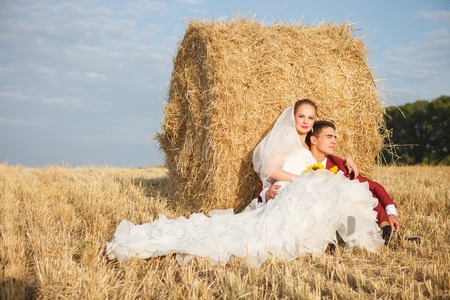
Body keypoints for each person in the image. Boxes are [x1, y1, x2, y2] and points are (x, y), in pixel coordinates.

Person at [105, 99, 384, 266]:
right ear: (293, 117)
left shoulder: (310, 144)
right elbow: (272, 170)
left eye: (310, 118)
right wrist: (303, 180)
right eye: (301, 116)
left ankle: (355, 236)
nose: (306, 121)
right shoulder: (285, 141)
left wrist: (337, 160)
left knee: (337, 193)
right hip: (285, 191)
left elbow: (322, 156)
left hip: (299, 190)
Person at [263, 120, 401, 243]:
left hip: (336, 220)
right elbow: (270, 182)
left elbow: (373, 187)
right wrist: (265, 194)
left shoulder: (339, 164)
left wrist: (391, 213)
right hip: (303, 223)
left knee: (359, 192)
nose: (334, 141)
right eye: (329, 137)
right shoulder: (297, 160)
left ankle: (386, 231)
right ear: (314, 140)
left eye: (335, 137)